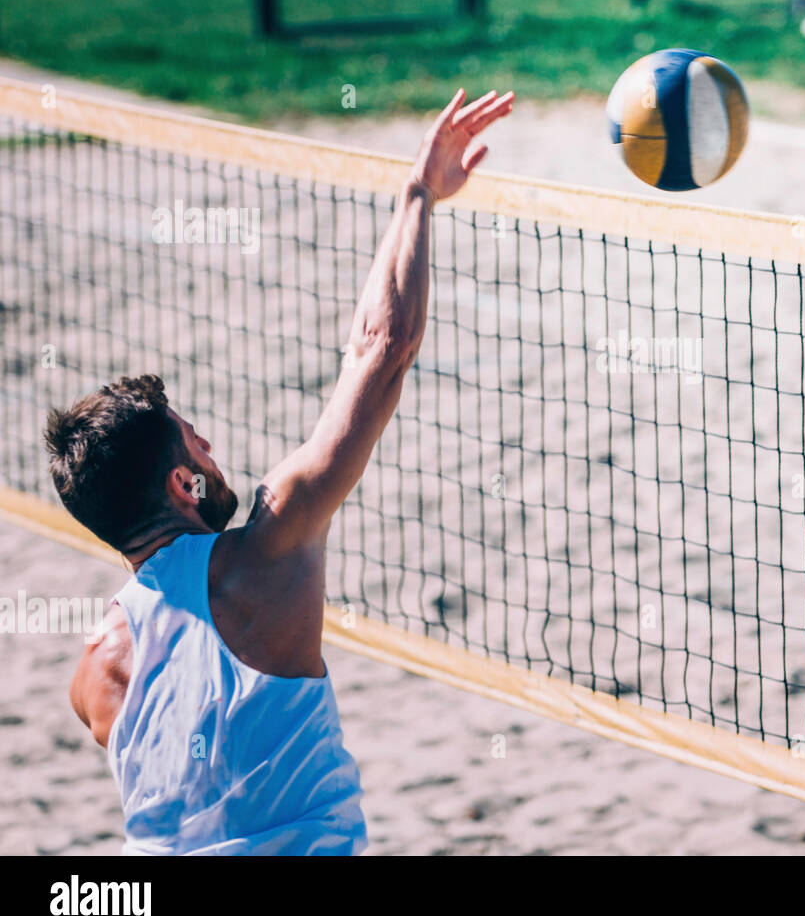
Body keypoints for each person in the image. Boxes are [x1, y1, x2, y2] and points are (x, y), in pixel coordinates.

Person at [47, 88, 514, 854]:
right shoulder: (264, 554)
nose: (210, 447)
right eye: (194, 443)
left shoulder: (91, 676)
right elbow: (381, 352)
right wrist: (418, 195)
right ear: (181, 485)